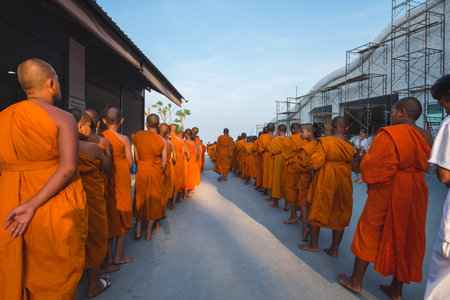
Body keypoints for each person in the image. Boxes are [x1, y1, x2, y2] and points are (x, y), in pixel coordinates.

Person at [0, 58, 87, 299]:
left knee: (16, 268)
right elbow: (68, 168)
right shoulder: (62, 117)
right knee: (52, 277)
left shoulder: (3, 117)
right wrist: (31, 205)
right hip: (49, 205)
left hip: (9, 203)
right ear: (50, 83)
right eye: (58, 79)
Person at [338, 98, 433, 299]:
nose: (390, 116)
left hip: (389, 189)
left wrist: (362, 167)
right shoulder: (427, 136)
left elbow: (373, 166)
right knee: (407, 235)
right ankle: (396, 290)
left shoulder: (390, 134)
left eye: (392, 111)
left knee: (369, 230)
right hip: (416, 190)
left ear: (402, 113)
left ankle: (356, 281)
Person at [70, 109, 112, 297]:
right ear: (80, 126)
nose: (91, 128)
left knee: (75, 236)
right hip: (91, 196)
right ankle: (93, 284)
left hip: (69, 196)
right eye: (89, 126)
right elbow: (107, 168)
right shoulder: (93, 147)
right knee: (94, 237)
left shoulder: (57, 146)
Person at [299, 117, 354, 258]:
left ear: (331, 128)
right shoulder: (350, 145)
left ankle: (313, 245)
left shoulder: (325, 142)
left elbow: (316, 163)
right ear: (346, 129)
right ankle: (334, 249)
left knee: (317, 209)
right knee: (340, 213)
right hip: (344, 181)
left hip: (326, 179)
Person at [85, 108, 121, 274]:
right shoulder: (102, 142)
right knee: (98, 230)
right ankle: (101, 266)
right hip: (96, 189)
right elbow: (108, 168)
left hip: (75, 190)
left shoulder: (66, 141)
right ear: (98, 123)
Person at [424, 76, 450, 300]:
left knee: (443, 271)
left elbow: (443, 175)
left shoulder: (449, 124)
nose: (443, 109)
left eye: (443, 103)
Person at [101, 107, 133, 264]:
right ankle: (118, 256)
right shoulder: (124, 139)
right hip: (121, 177)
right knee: (122, 214)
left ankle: (108, 258)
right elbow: (131, 163)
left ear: (104, 121)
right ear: (121, 121)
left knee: (109, 214)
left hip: (105, 177)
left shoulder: (100, 137)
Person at [132, 114, 167, 240]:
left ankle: (137, 230)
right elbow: (164, 162)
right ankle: (148, 233)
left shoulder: (138, 136)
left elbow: (136, 158)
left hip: (142, 170)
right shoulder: (162, 141)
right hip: (155, 171)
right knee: (154, 200)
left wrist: (142, 166)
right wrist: (158, 171)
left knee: (140, 198)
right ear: (158, 126)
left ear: (146, 124)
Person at [296, 123, 317, 241]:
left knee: (304, 205)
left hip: (306, 178)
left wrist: (299, 161)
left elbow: (304, 165)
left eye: (302, 131)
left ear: (309, 132)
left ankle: (305, 229)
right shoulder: (317, 145)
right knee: (312, 204)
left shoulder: (307, 148)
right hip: (315, 178)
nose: (300, 133)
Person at [282, 123, 306, 224]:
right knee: (303, 191)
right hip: (304, 167)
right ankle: (303, 215)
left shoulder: (289, 140)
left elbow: (285, 155)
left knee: (291, 190)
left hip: (292, 167)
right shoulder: (306, 139)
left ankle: (293, 216)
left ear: (292, 130)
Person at [267, 124, 287, 208]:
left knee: (275, 180)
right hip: (286, 160)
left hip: (277, 161)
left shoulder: (275, 140)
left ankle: (276, 203)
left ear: (278, 130)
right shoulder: (289, 139)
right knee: (286, 181)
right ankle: (286, 205)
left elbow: (270, 149)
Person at [170, 124, 186, 210]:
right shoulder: (181, 141)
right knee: (177, 183)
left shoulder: (170, 139)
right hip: (179, 162)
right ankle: (173, 204)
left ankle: (169, 202)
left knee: (170, 182)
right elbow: (183, 154)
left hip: (171, 161)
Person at [259, 124, 275, 195]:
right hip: (274, 156)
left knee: (265, 173)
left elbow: (260, 148)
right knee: (273, 174)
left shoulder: (262, 137)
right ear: (274, 129)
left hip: (266, 155)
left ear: (267, 129)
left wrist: (265, 150)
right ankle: (272, 192)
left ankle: (266, 190)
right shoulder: (276, 137)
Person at [184, 129, 198, 197]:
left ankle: (184, 192)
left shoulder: (183, 142)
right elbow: (195, 154)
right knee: (191, 175)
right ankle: (189, 190)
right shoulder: (194, 143)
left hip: (185, 160)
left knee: (185, 175)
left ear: (185, 135)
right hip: (192, 160)